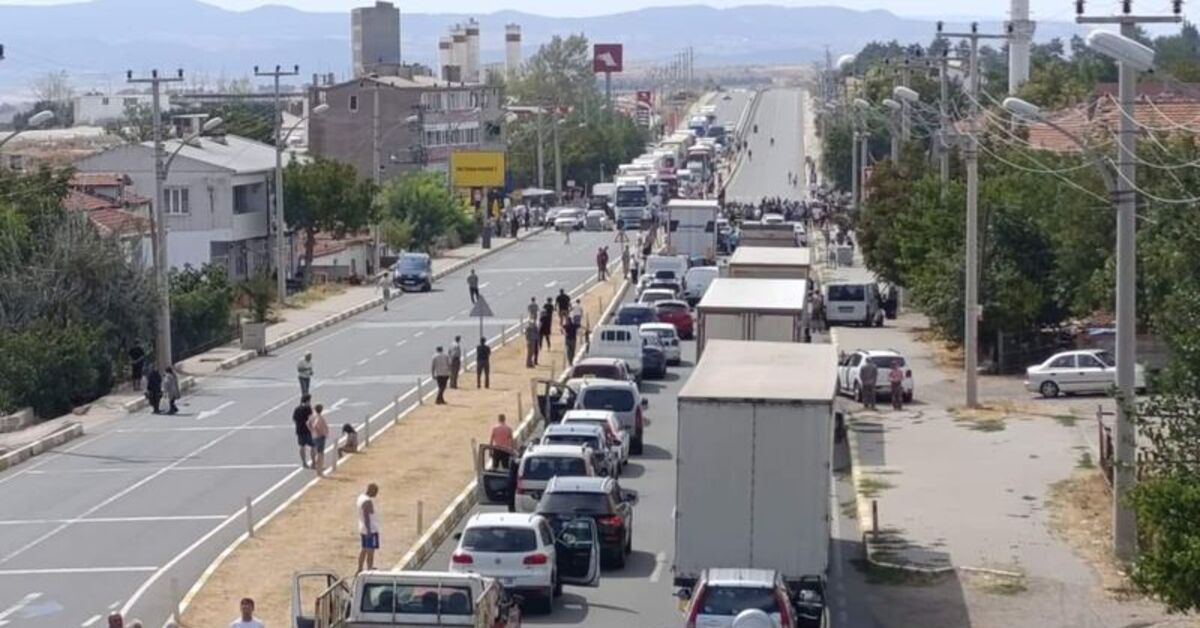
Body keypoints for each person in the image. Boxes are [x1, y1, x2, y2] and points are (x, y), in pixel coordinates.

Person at [357, 483, 380, 573]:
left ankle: (360, 568)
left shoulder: (360, 498)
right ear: (372, 490)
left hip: (363, 528)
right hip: (370, 529)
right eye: (376, 492)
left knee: (364, 549)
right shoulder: (367, 502)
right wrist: (369, 531)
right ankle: (369, 568)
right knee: (370, 550)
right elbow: (367, 516)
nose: (376, 494)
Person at [293, 394, 315, 468]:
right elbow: (311, 419)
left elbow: (294, 419)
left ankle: (304, 462)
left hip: (299, 429)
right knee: (313, 445)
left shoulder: (297, 409)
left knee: (302, 446)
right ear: (308, 401)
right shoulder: (308, 408)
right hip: (307, 430)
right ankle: (313, 462)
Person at [309, 403, 329, 475]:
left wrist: (312, 430)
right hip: (320, 437)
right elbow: (315, 426)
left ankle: (318, 468)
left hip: (315, 436)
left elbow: (309, 423)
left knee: (318, 452)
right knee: (320, 454)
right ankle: (319, 469)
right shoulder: (319, 418)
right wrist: (319, 432)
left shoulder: (313, 417)